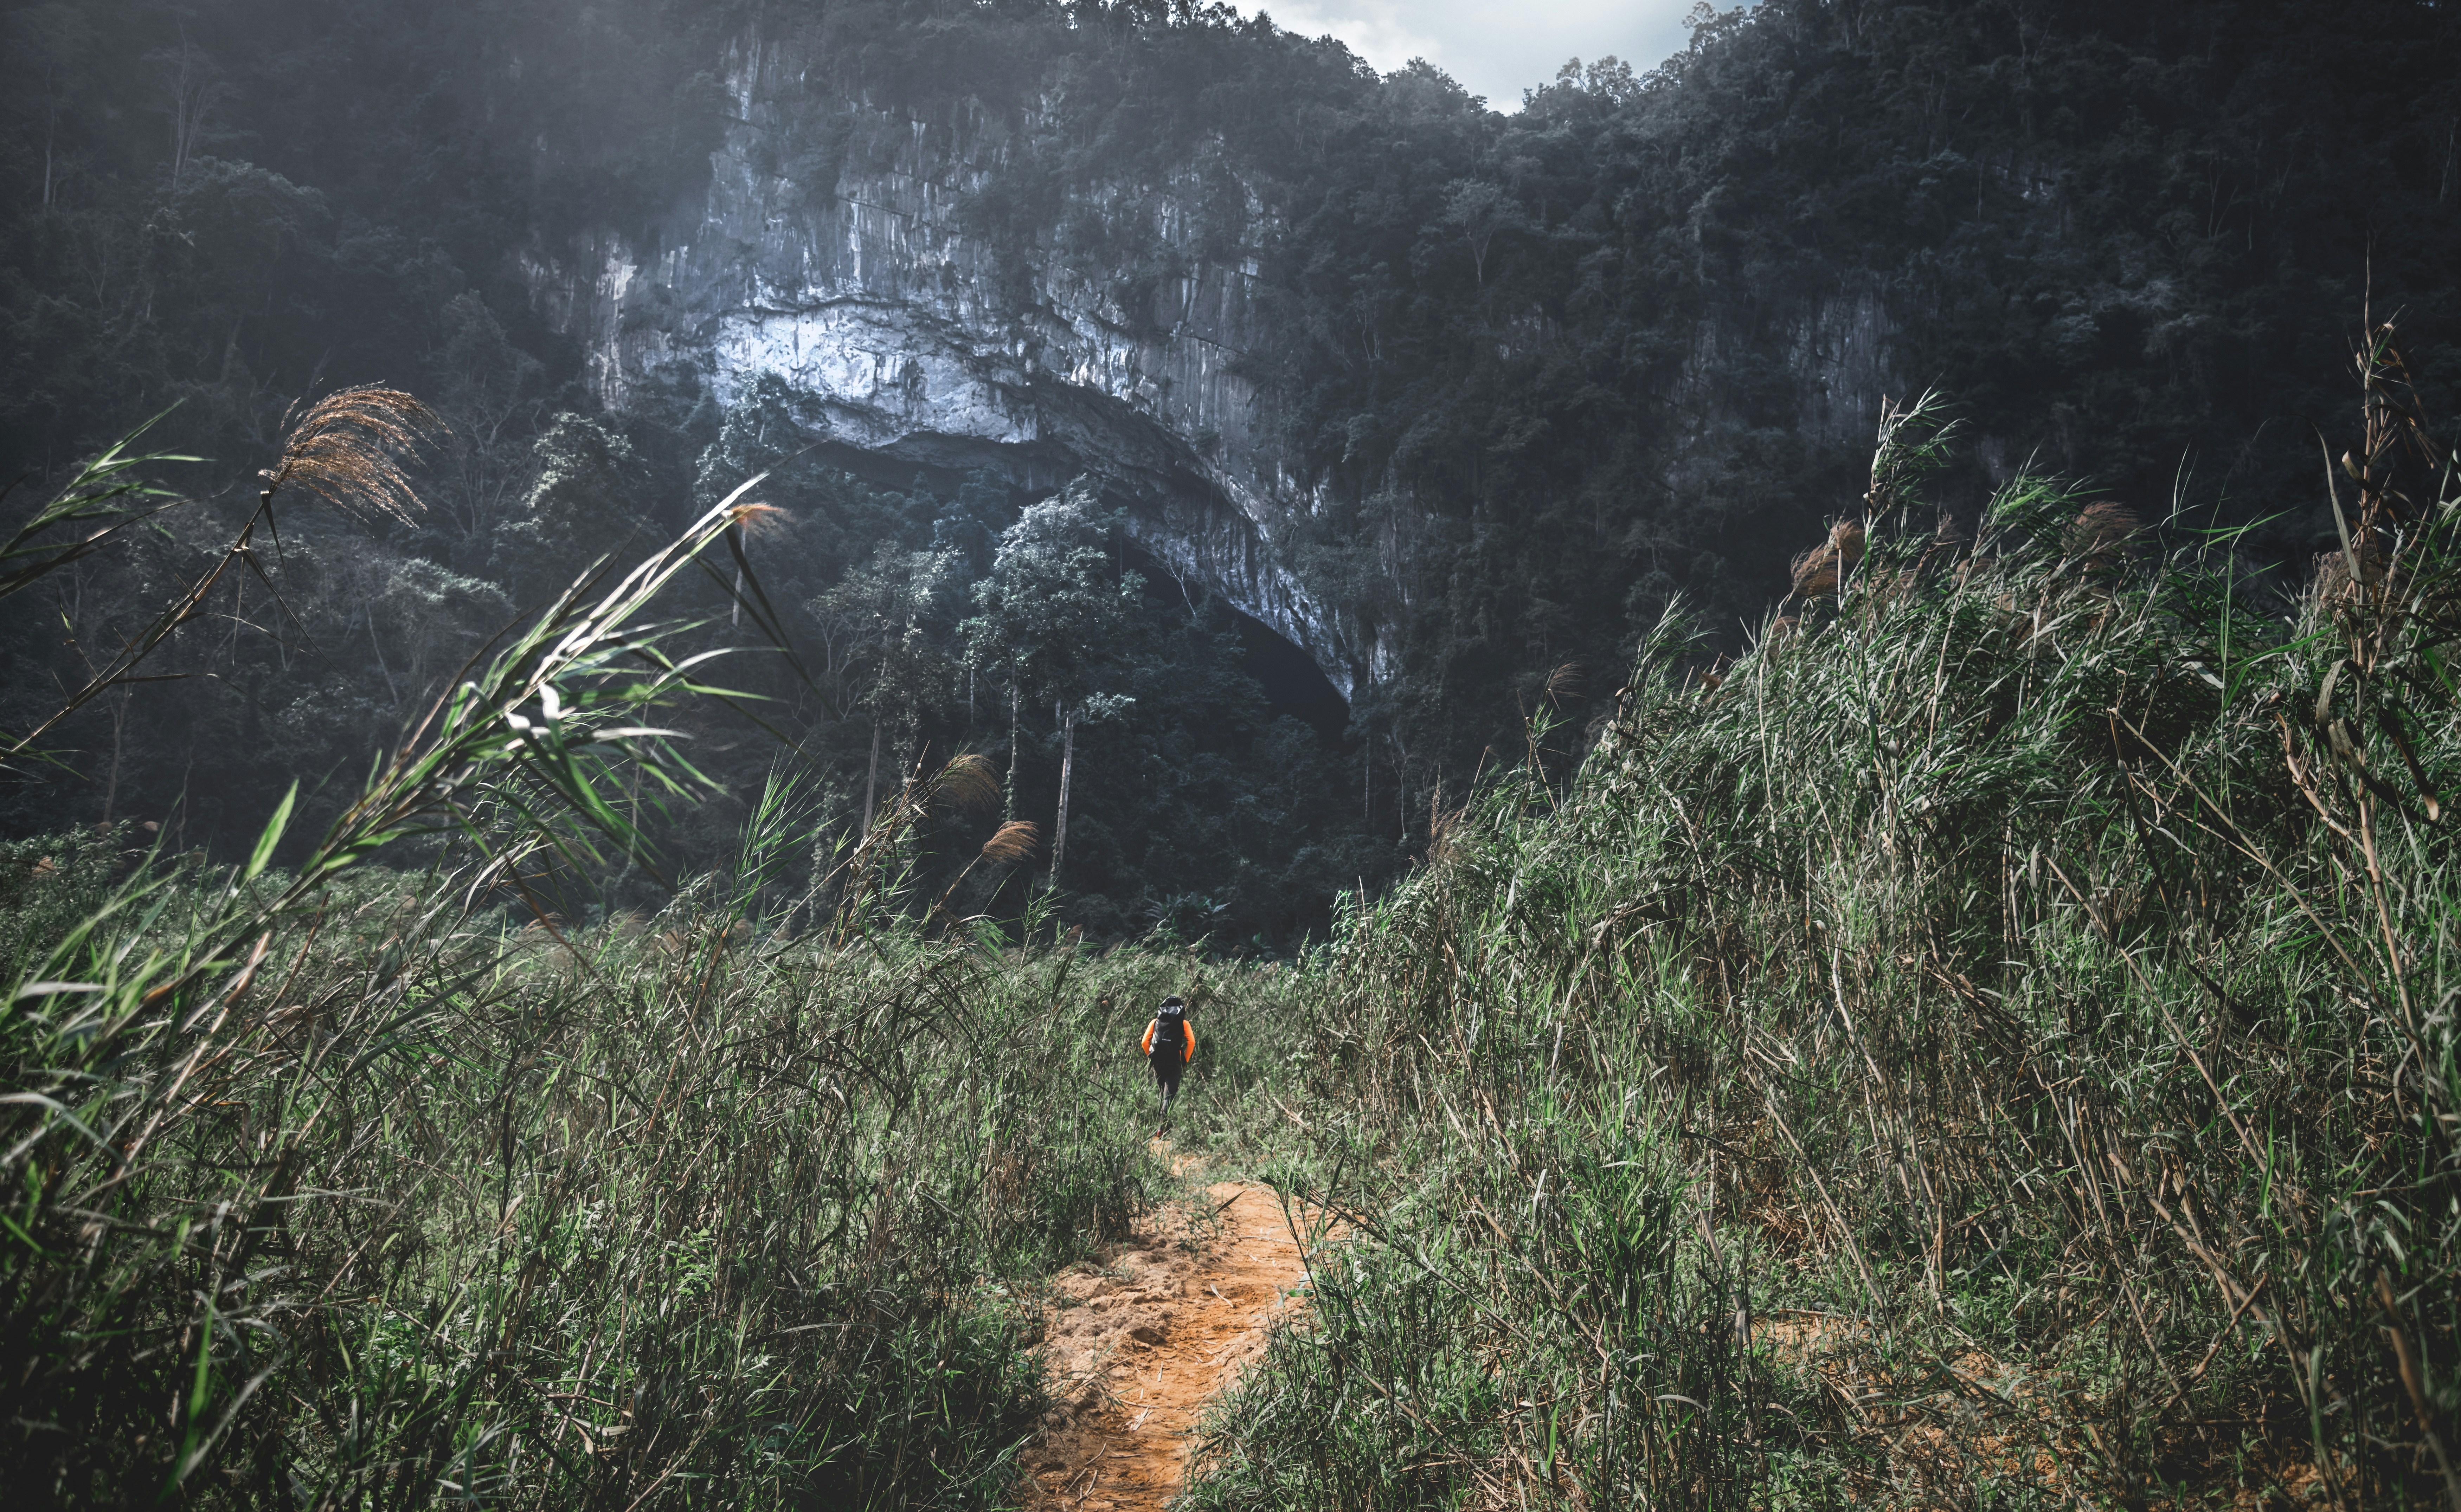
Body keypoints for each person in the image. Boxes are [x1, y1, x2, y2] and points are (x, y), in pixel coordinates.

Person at [1138, 995, 1197, 1134]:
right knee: (1169, 1096)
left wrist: (1152, 1057)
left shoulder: (1155, 1022)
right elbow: (1192, 1042)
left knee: (1162, 1094)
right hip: (1174, 1062)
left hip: (1158, 1061)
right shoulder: (1184, 1024)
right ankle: (1162, 1128)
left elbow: (1144, 1042)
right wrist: (1185, 1061)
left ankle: (1164, 1125)